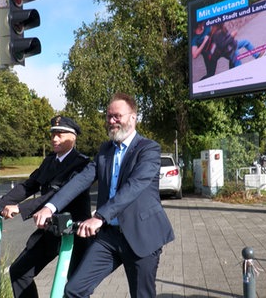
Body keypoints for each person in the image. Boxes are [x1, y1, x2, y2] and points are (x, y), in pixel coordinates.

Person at [32, 93, 175, 298]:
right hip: (109, 237)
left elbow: (134, 186)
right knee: (74, 290)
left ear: (133, 117)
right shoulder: (105, 149)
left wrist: (99, 217)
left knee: (142, 295)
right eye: (108, 116)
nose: (111, 121)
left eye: (117, 116)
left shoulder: (149, 149)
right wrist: (50, 207)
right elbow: (81, 180)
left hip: (142, 234)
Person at [0, 115, 91, 298]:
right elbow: (29, 185)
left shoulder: (82, 164)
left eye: (61, 134)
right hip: (50, 231)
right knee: (18, 272)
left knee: (74, 287)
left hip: (74, 233)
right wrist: (0, 204)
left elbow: (56, 193)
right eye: (53, 134)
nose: (55, 139)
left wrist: (21, 208)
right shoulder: (50, 161)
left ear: (74, 137)